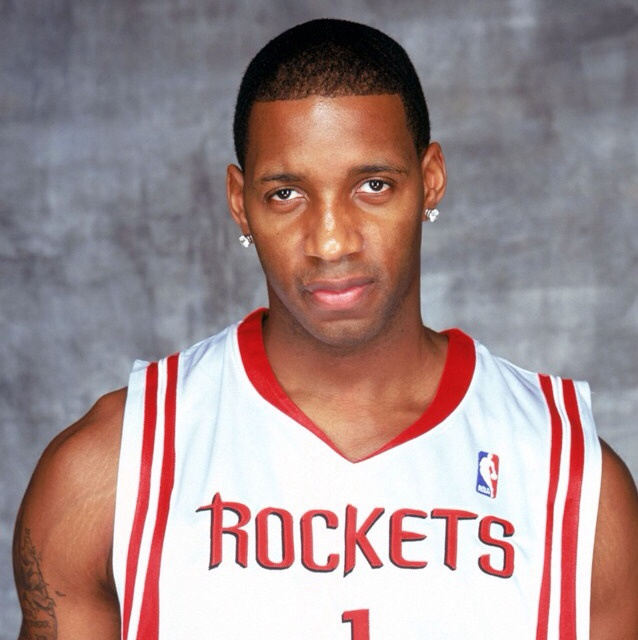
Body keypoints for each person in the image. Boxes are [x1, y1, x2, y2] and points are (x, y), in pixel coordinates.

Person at [13, 18, 638, 640]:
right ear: (239, 202)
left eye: (373, 185)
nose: (331, 241)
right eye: (287, 194)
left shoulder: (572, 483)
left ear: (431, 180)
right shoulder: (110, 469)